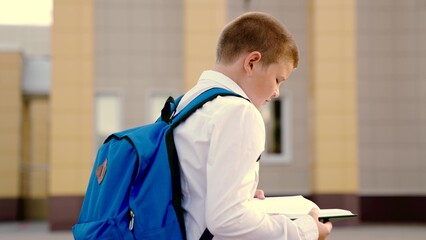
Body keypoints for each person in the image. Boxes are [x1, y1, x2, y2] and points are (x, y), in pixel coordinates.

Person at [173, 12, 332, 240]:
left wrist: (243, 199)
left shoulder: (187, 104)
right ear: (252, 62)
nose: (276, 92)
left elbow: (193, 193)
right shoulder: (240, 113)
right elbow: (227, 219)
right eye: (277, 79)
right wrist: (306, 230)